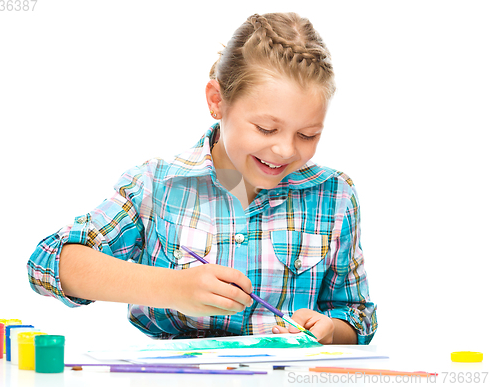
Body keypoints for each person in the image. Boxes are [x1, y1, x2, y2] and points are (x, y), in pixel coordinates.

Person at [28, 12, 377, 345]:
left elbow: (358, 315)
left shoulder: (334, 195)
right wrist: (173, 287)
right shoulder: (157, 186)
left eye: (307, 134)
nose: (286, 150)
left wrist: (331, 329)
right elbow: (48, 263)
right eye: (266, 128)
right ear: (217, 101)